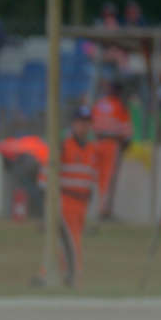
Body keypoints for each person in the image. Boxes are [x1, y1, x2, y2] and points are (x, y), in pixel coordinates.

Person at [47, 107, 101, 288]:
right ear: (73, 124)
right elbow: (49, 171)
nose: (84, 127)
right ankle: (75, 279)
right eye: (81, 123)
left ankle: (57, 274)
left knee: (67, 243)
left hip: (82, 203)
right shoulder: (65, 145)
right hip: (66, 201)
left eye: (87, 123)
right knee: (72, 242)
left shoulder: (92, 148)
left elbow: (92, 176)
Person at [88, 79, 132, 220]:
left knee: (97, 177)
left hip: (96, 143)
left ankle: (95, 209)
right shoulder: (120, 106)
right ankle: (104, 211)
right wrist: (125, 143)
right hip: (112, 144)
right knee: (108, 179)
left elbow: (91, 124)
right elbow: (127, 131)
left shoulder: (99, 105)